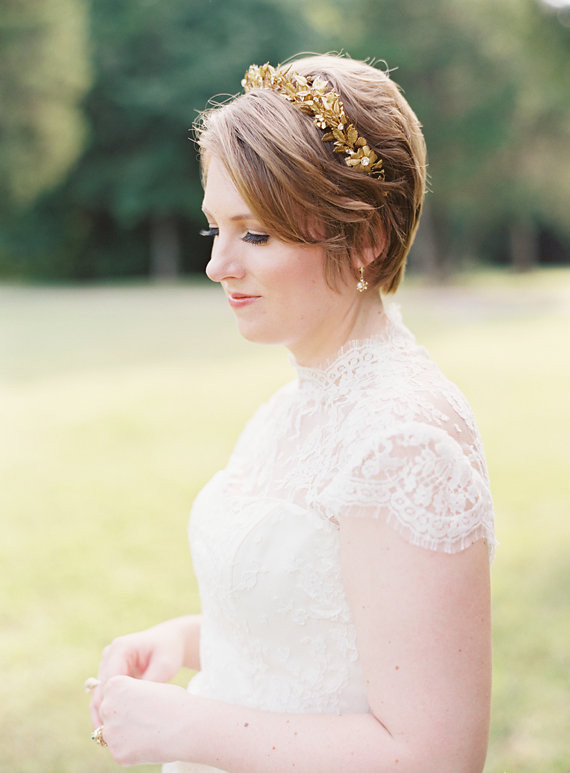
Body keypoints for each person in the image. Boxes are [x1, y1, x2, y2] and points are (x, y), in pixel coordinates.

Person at [88, 54, 496, 772]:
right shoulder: (294, 406)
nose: (218, 265)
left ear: (364, 239)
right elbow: (319, 631)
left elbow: (435, 756)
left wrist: (188, 726)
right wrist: (182, 640)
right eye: (215, 229)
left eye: (256, 234)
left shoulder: (404, 443)